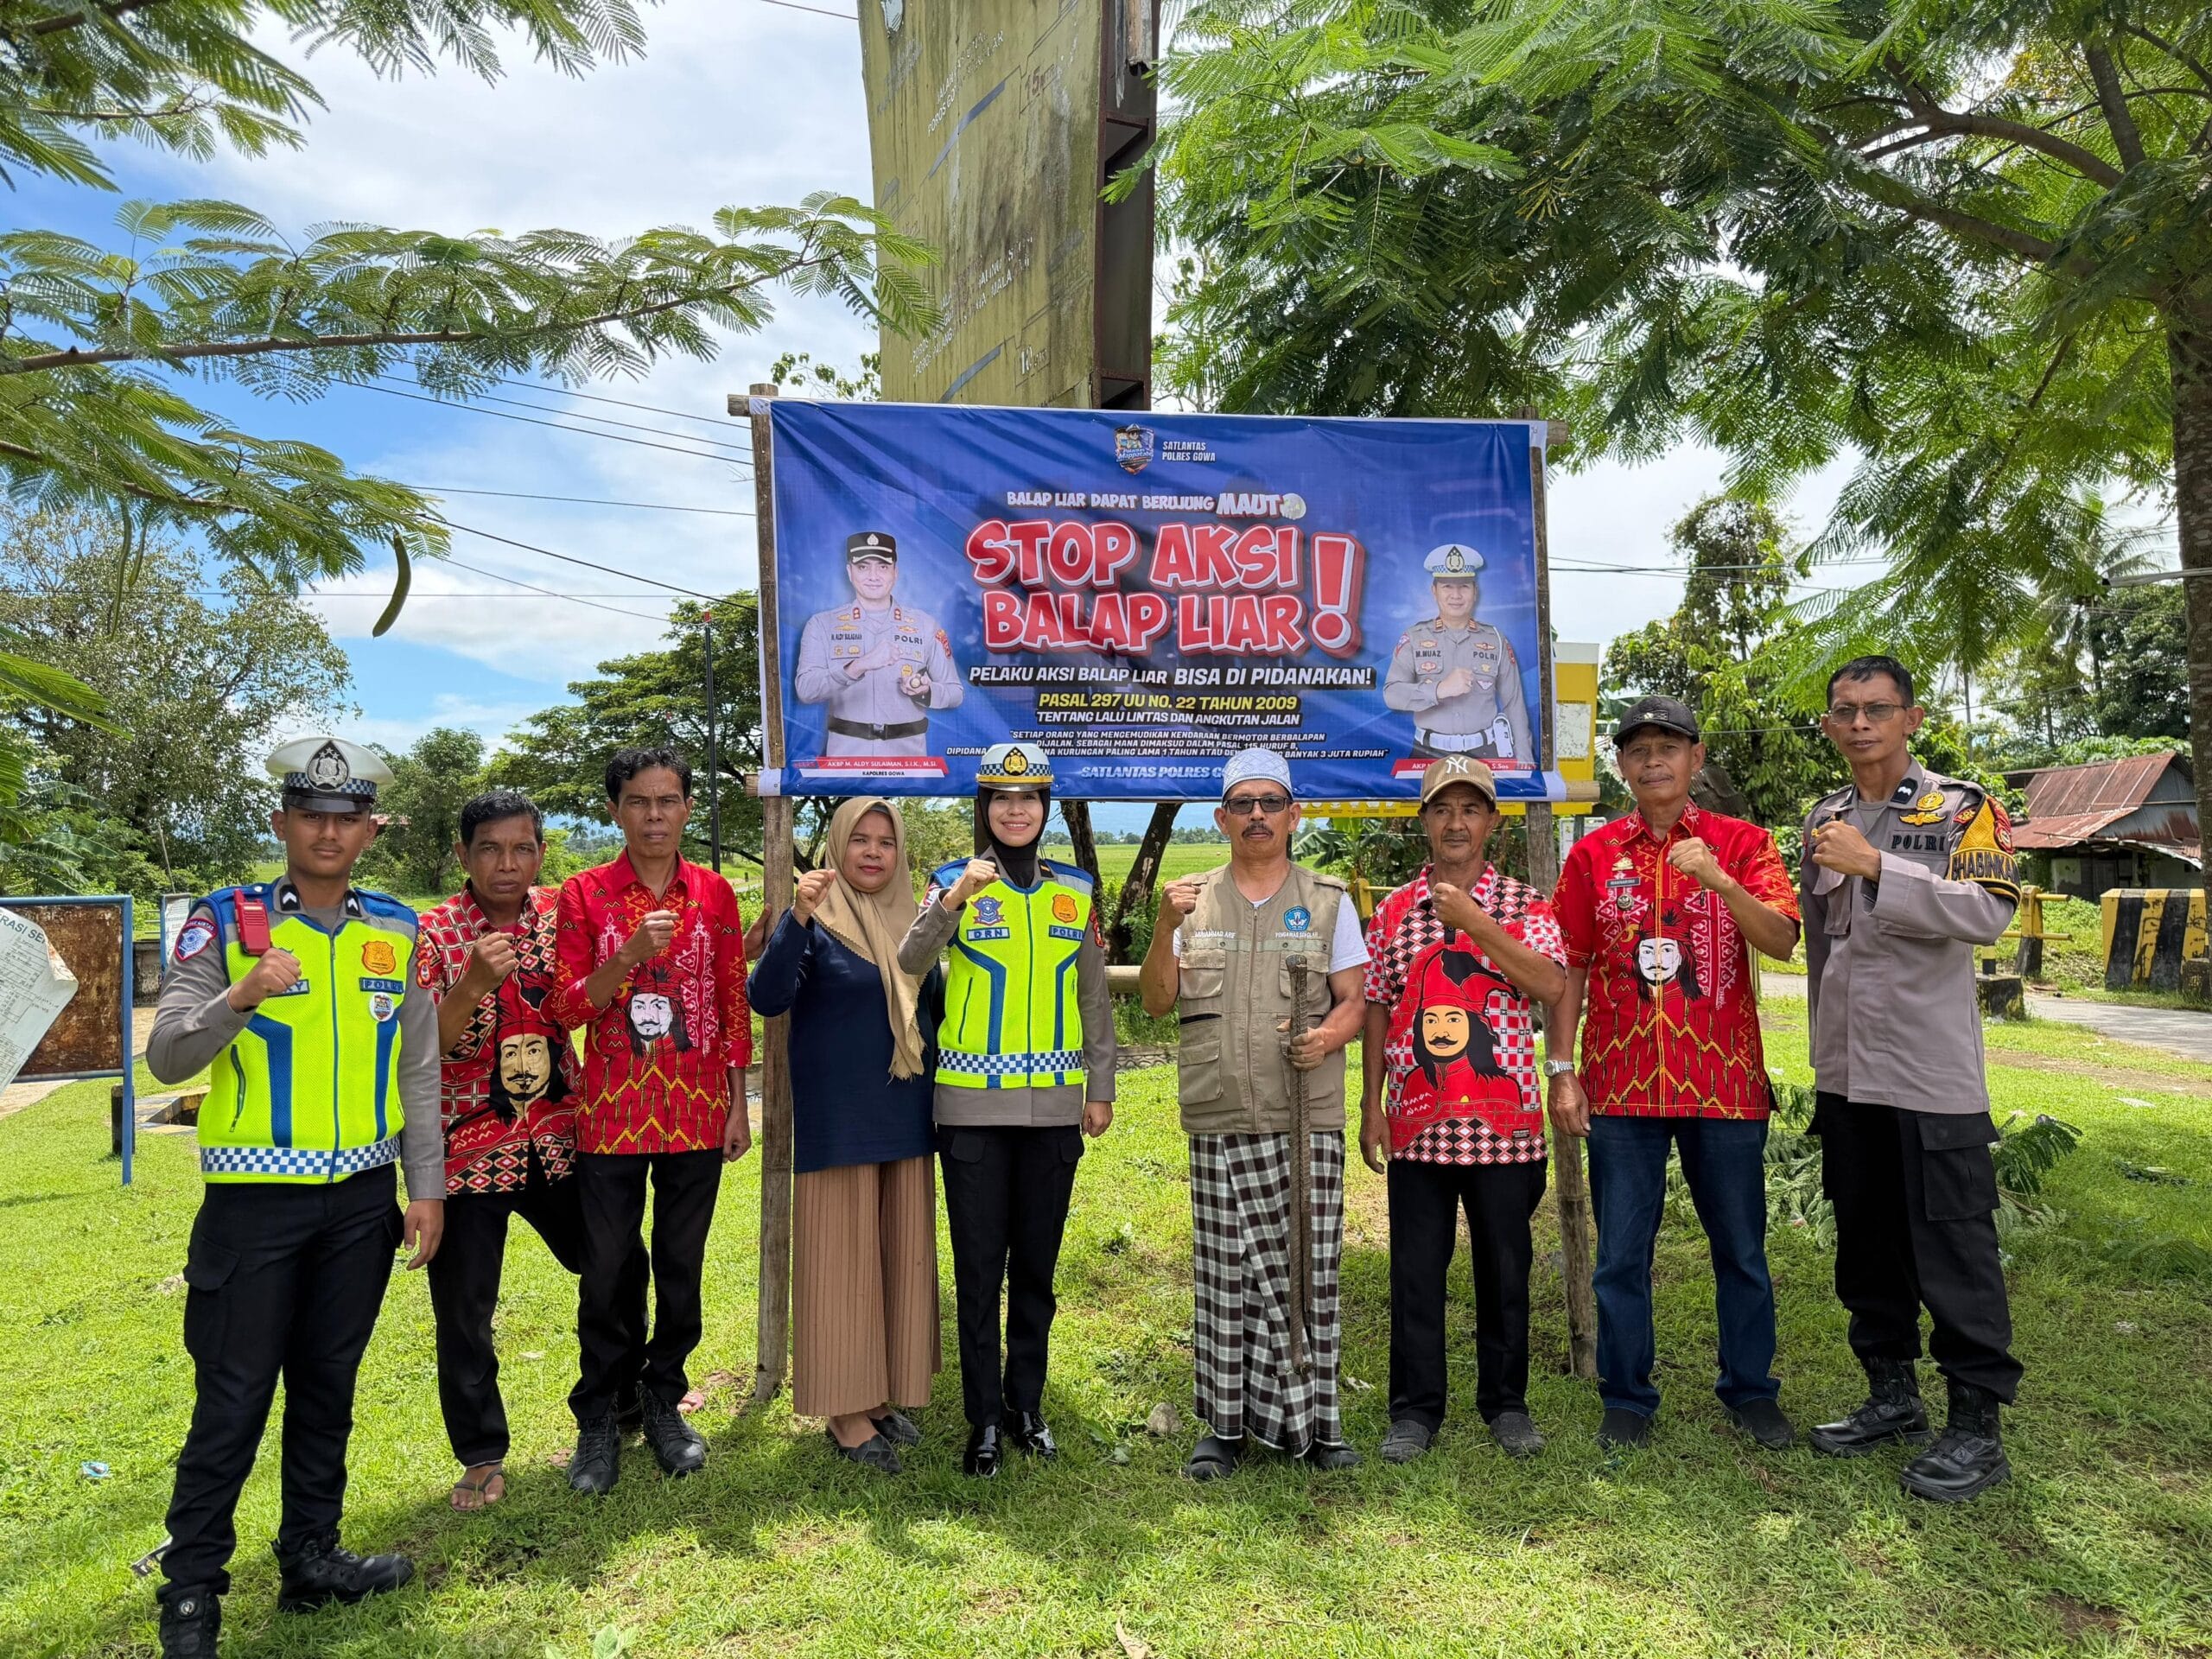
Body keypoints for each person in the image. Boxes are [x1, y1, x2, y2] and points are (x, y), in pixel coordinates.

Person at [145, 736, 444, 1658]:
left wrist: (425, 1187)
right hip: (253, 1208)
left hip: (362, 1202)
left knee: (327, 1386)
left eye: (345, 819)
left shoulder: (397, 929)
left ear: (370, 832)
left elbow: (418, 1069)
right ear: (281, 824)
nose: (327, 832)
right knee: (232, 1401)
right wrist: (238, 996)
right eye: (310, 816)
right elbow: (166, 1057)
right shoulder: (225, 921)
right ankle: (191, 1593)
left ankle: (312, 1558)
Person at [1548, 696, 1803, 1452]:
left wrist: (1721, 881)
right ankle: (1627, 1397)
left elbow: (1782, 940)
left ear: (1697, 758)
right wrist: (1561, 1070)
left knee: (1742, 1251)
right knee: (1620, 1255)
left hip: (1724, 1084)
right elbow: (1571, 966)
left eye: (1669, 747)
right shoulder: (1592, 857)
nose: (1653, 760)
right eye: (1638, 750)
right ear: (1621, 766)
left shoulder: (1745, 843)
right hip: (1620, 1086)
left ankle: (1750, 1389)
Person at [1798, 656, 2023, 1502]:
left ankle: (1976, 1428)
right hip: (1848, 1073)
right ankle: (1891, 1397)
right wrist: (1822, 1055)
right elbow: (1822, 950)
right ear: (1830, 724)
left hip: (1931, 1074)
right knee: (1867, 1247)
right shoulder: (1823, 819)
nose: (1860, 724)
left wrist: (1878, 867)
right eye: (1845, 710)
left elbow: (1987, 914)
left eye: (1877, 708)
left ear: (1911, 718)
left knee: (1955, 1251)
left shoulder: (1961, 808)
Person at [1140, 747, 1369, 1479]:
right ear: (1222, 819)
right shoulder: (1191, 902)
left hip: (1307, 1115)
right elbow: (1156, 1001)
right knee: (1225, 1279)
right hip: (1221, 1112)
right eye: (1244, 804)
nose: (1258, 815)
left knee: (1311, 1271)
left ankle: (1320, 1424)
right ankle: (1224, 1427)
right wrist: (1160, 929)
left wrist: (1326, 1037)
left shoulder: (1329, 900)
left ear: (1294, 815)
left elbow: (1355, 1000)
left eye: (1271, 802)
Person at [416, 790, 646, 1511]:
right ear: (463, 855)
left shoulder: (562, 913)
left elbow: (631, 963)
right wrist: (472, 984)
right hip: (468, 1147)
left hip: (561, 1134)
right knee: (465, 1308)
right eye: (489, 849)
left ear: (542, 852)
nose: (507, 864)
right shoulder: (433, 934)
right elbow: (421, 1048)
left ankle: (626, 1397)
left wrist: (750, 940)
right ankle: (481, 1453)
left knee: (619, 1263)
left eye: (522, 848)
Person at [897, 742, 1115, 1477]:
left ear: (1044, 809)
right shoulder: (951, 882)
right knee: (979, 1271)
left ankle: (1026, 1407)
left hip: (1054, 1113)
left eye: (1028, 799)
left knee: (1037, 1272)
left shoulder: (1075, 891)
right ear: (984, 807)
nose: (1015, 810)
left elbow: (1093, 997)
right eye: (1001, 798)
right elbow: (909, 961)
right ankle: (984, 1419)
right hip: (971, 1115)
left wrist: (1102, 1086)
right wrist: (956, 898)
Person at [549, 747, 753, 1494]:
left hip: (697, 1110)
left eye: (668, 801)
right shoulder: (584, 894)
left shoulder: (714, 893)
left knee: (680, 1263)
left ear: (688, 808)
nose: (655, 815)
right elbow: (567, 1007)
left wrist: (738, 1103)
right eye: (639, 801)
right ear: (615, 810)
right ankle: (601, 1412)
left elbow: (732, 1001)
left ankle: (664, 1398)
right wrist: (630, 953)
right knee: (605, 1268)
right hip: (611, 1114)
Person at [1359, 756, 1567, 1462]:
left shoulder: (1523, 903)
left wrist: (1476, 922)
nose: (1456, 823)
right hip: (1418, 1120)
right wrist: (1371, 1104)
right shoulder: (1394, 910)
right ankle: (1415, 1411)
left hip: (1503, 1125)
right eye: (1442, 809)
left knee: (1505, 1268)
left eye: (1470, 809)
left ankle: (1506, 1404)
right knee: (1416, 1271)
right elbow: (1377, 1006)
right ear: (1423, 821)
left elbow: (1550, 984)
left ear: (1492, 822)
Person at [748, 797, 944, 1474]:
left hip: (907, 1112)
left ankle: (879, 1394)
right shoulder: (817, 921)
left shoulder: (917, 921)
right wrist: (797, 917)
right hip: (840, 1119)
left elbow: (935, 1013)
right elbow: (767, 997)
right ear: (836, 845)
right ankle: (843, 1409)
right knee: (842, 1264)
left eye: (886, 842)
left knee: (896, 1258)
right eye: (859, 839)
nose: (873, 852)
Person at [792, 531, 965, 760]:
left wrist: (926, 691)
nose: (873, 576)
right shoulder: (822, 625)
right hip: (846, 758)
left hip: (908, 758)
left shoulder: (925, 625)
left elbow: (955, 692)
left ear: (895, 572)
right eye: (863, 567)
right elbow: (806, 690)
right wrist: (857, 666)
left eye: (883, 566)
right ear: (850, 572)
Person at [1382, 543, 1534, 766]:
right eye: (1447, 587)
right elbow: (1391, 695)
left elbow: (1514, 702)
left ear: (1475, 592)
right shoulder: (1414, 637)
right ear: (1434, 591)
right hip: (1428, 753)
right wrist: (1439, 690)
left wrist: (1525, 758)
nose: (1456, 595)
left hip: (1485, 753)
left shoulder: (1495, 639)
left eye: (1464, 586)